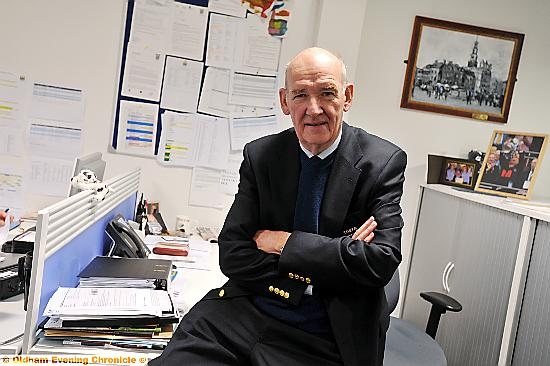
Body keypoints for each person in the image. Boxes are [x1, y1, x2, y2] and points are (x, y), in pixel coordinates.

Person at [151, 47, 407, 366]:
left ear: (348, 96)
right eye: (301, 95)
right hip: (244, 314)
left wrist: (283, 243)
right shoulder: (262, 156)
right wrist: (335, 255)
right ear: (285, 101)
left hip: (326, 334)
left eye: (327, 92)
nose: (314, 109)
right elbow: (233, 253)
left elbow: (380, 261)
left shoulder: (381, 163)